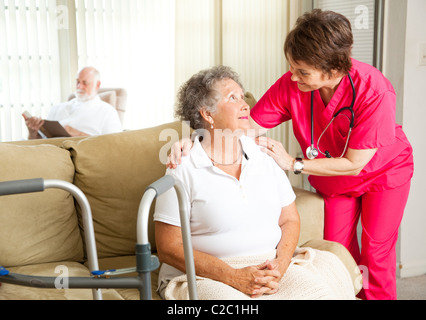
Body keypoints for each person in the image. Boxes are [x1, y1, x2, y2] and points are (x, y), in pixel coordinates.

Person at [168, 10, 414, 300]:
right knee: (336, 252)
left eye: (303, 71)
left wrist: (292, 163)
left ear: (333, 71)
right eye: (292, 67)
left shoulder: (373, 89)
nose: (293, 77)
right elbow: (246, 125)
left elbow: (355, 163)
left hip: (383, 175)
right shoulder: (293, 84)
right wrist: (195, 138)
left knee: (375, 254)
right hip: (334, 178)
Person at [154, 65, 355, 300]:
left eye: (242, 95)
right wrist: (233, 276)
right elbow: (169, 247)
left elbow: (289, 219)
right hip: (207, 275)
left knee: (320, 293)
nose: (245, 104)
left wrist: (281, 263)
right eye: (233, 97)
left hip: (269, 265)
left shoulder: (262, 153)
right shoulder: (183, 167)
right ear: (207, 114)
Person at [23, 66, 122, 139]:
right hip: (49, 153)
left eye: (85, 83)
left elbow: (113, 145)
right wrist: (33, 132)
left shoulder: (108, 112)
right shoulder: (57, 108)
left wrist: (77, 134)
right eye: (77, 82)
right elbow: (40, 143)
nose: (79, 86)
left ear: (97, 85)